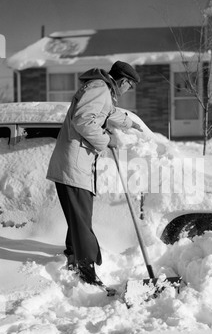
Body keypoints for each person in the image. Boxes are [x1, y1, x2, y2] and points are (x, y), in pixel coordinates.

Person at [46, 61, 141, 287]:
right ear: (123, 81)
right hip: (74, 166)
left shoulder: (102, 91)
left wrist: (130, 124)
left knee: (78, 218)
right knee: (81, 220)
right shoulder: (99, 89)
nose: (129, 90)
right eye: (130, 85)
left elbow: (108, 113)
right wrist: (108, 140)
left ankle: (73, 256)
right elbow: (83, 120)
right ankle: (86, 271)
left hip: (75, 165)